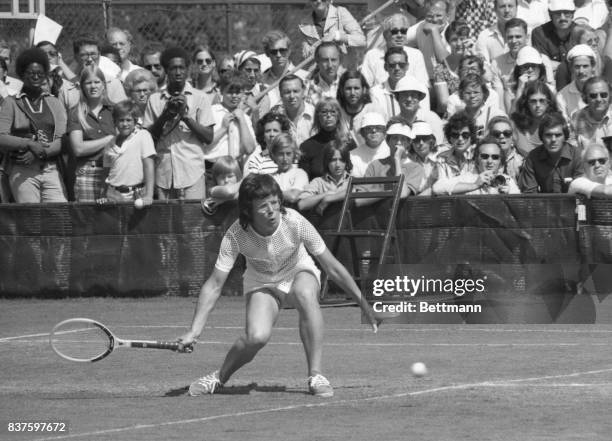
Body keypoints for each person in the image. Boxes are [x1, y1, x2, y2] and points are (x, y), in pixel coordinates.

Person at [177, 173, 379, 397]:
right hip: (262, 280)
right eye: (263, 206)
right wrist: (194, 332)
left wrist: (363, 303)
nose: (271, 210)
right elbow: (214, 285)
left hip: (298, 271)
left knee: (305, 293)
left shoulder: (295, 221)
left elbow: (332, 267)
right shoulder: (235, 234)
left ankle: (316, 375)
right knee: (256, 337)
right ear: (248, 210)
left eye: (274, 202)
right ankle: (219, 378)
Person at [143, 47, 215, 200]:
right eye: (173, 68)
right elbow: (147, 139)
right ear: (166, 71)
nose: (178, 72)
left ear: (187, 70)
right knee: (165, 222)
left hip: (192, 173)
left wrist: (185, 116)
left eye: (181, 68)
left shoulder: (200, 98)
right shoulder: (155, 99)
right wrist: (165, 115)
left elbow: (208, 137)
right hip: (164, 175)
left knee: (192, 222)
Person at [0, 48, 67, 203]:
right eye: (31, 73)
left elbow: (60, 140)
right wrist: (29, 143)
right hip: (22, 170)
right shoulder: (11, 102)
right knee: (31, 222)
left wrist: (39, 151)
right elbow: (1, 137)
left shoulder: (54, 102)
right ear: (22, 74)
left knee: (59, 218)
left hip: (50, 169)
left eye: (40, 73)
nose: (36, 77)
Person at [68, 67, 116, 202]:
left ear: (104, 85)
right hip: (88, 171)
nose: (93, 86)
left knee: (114, 220)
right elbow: (78, 149)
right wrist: (109, 139)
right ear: (82, 86)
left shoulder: (115, 110)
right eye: (88, 83)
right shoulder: (76, 112)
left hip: (115, 170)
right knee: (88, 220)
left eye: (97, 82)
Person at [98, 100, 155, 206]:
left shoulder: (143, 135)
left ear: (135, 120)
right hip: (113, 194)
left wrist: (149, 195)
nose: (125, 124)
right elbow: (106, 172)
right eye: (121, 120)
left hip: (137, 194)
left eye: (129, 120)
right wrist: (102, 195)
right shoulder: (110, 144)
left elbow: (149, 166)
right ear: (115, 122)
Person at [490, 18, 555, 110]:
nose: (514, 41)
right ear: (505, 38)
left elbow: (549, 88)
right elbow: (499, 98)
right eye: (510, 37)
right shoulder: (497, 63)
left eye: (518, 36)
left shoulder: (542, 59)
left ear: (527, 37)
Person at [360, 13, 429, 90]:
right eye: (395, 31)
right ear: (385, 35)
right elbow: (364, 86)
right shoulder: (372, 55)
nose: (400, 35)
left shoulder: (416, 55)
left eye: (403, 31)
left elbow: (423, 86)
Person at [518, 112, 584, 193]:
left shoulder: (577, 156)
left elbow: (582, 191)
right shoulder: (533, 158)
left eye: (558, 135)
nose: (553, 140)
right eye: (548, 135)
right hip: (543, 204)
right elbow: (530, 194)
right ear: (542, 136)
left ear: (565, 137)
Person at [59, 34, 127, 110]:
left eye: (93, 54)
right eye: (84, 55)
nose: (90, 59)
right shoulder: (66, 89)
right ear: (76, 57)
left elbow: (123, 113)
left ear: (99, 55)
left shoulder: (113, 83)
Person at [433, 136, 520, 195]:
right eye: (485, 157)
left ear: (500, 162)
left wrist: (510, 195)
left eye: (495, 157)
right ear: (476, 160)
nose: (490, 161)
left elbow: (522, 210)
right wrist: (474, 185)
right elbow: (437, 188)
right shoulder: (468, 178)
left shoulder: (506, 180)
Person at [205, 71, 256, 169]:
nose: (234, 96)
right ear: (222, 91)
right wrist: (223, 129)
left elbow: (249, 149)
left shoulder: (244, 117)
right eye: (230, 92)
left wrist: (242, 121)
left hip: (236, 167)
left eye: (238, 92)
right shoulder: (211, 112)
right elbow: (204, 144)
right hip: (212, 168)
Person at [298, 0, 365, 69]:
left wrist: (336, 36)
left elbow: (361, 40)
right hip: (319, 74)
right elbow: (306, 56)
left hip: (343, 73)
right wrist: (308, 49)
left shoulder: (340, 13)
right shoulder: (304, 25)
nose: (318, 1)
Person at [371, 46, 430, 121]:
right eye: (392, 65)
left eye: (401, 65)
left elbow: (424, 118)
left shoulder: (421, 89)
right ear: (385, 67)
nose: (397, 68)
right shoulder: (375, 92)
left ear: (407, 66)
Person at [299, 97, 352, 181]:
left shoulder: (349, 144)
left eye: (333, 112)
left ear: (338, 115)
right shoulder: (307, 147)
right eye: (324, 112)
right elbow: (303, 180)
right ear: (317, 116)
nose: (328, 115)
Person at [297, 141, 352, 214]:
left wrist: (329, 199)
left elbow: (356, 191)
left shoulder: (352, 180)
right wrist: (325, 194)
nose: (338, 164)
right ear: (327, 161)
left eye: (341, 160)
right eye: (333, 160)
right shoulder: (318, 182)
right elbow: (302, 204)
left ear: (346, 161)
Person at [511, 80, 561, 157]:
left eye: (542, 101)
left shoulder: (558, 124)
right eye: (533, 101)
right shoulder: (516, 124)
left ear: (548, 102)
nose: (538, 105)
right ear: (526, 103)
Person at [261, 30, 308, 107]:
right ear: (267, 53)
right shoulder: (261, 81)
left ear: (289, 51)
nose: (278, 55)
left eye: (282, 50)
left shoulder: (305, 77)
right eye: (274, 52)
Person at [393, 75, 445, 146]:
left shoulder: (431, 119)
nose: (409, 99)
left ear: (419, 98)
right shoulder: (394, 123)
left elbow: (438, 147)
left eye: (413, 95)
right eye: (405, 95)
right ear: (397, 98)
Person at [336, 69, 380, 145]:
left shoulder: (374, 110)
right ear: (342, 90)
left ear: (364, 89)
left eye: (356, 88)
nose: (352, 93)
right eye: (348, 89)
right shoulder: (337, 112)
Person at [531, 0, 576, 71]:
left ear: (573, 14)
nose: (563, 18)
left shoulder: (583, 33)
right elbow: (542, 64)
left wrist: (557, 66)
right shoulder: (539, 33)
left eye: (567, 13)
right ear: (550, 15)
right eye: (558, 14)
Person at [456, 73, 506, 138]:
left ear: (484, 94)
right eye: (467, 93)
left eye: (476, 92)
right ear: (461, 95)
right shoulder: (458, 117)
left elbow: (505, 141)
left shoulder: (496, 115)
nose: (472, 96)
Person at [556, 44, 597, 122]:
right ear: (571, 68)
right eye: (577, 67)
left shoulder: (606, 91)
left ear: (593, 67)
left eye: (585, 66)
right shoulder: (562, 96)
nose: (581, 71)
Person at [244, 112, 292, 176]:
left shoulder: (292, 157)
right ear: (263, 136)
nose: (271, 134)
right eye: (268, 131)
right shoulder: (256, 160)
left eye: (275, 130)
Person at [571, 76, 612, 150]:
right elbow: (573, 150)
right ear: (585, 97)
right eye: (593, 96)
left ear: (610, 95)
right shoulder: (577, 118)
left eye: (603, 95)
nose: (599, 99)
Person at [274, 74, 315, 146]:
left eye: (295, 91)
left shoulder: (315, 115)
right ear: (280, 94)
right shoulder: (275, 118)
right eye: (287, 92)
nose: (292, 96)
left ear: (303, 92)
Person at [269, 132, 309, 205]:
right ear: (274, 155)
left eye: (288, 154)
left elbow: (292, 197)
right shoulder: (270, 177)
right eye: (281, 154)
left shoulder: (300, 173)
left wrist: (270, 194)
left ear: (294, 154)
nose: (285, 158)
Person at [436, 111, 478, 180]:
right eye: (455, 135)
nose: (460, 139)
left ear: (471, 136)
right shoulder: (441, 159)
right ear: (450, 137)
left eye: (465, 135)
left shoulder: (478, 156)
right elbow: (442, 186)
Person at [475, 0, 518, 65]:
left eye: (510, 6)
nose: (507, 10)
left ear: (516, 8)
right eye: (502, 6)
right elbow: (484, 67)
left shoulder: (527, 34)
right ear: (495, 9)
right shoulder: (484, 36)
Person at [349, 112, 390, 177]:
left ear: (385, 132)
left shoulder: (392, 153)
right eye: (369, 128)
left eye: (378, 127)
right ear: (362, 133)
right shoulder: (352, 156)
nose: (373, 131)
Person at [305, 42, 345, 106]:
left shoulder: (347, 86)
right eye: (325, 60)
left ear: (339, 61)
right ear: (317, 61)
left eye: (333, 60)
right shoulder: (306, 88)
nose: (330, 65)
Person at [406, 120, 440, 195]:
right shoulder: (407, 161)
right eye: (416, 139)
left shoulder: (440, 158)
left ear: (431, 140)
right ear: (411, 142)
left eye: (424, 138)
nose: (421, 143)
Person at [486, 115, 524, 181]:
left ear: (512, 136)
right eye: (496, 134)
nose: (501, 136)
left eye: (506, 133)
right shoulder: (483, 158)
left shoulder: (522, 162)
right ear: (490, 137)